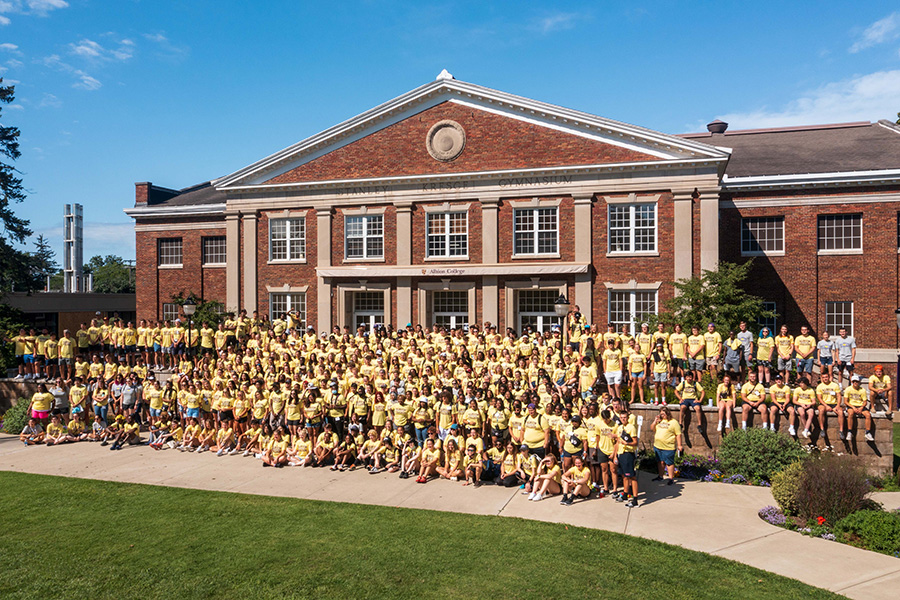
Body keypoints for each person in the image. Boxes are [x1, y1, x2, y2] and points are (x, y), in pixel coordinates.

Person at [613, 407, 639, 508]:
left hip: (628, 454)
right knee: (624, 475)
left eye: (625, 417)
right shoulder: (619, 428)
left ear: (628, 418)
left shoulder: (631, 428)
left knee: (631, 476)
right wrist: (615, 455)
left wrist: (627, 443)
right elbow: (617, 443)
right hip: (620, 454)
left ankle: (635, 499)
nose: (623, 419)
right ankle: (625, 494)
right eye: (621, 417)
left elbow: (635, 442)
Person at [651, 406, 682, 485]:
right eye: (661, 414)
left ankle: (671, 478)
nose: (663, 415)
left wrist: (679, 445)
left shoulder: (674, 422)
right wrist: (655, 421)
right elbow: (652, 428)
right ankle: (660, 476)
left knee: (669, 463)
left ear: (668, 413)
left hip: (668, 447)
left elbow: (678, 434)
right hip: (658, 445)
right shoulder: (659, 421)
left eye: (664, 414)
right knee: (660, 462)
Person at [816, 371, 842, 449]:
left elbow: (839, 396)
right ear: (821, 378)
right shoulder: (819, 386)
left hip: (834, 403)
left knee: (840, 412)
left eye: (826, 377)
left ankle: (841, 430)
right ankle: (822, 429)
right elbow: (819, 398)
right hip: (824, 404)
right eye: (823, 377)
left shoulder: (835, 385)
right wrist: (826, 406)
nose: (825, 379)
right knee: (821, 410)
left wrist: (837, 405)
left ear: (829, 377)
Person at [843, 375, 874, 442]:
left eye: (857, 381)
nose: (856, 383)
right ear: (852, 382)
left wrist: (861, 407)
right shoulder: (848, 389)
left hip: (860, 406)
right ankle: (849, 431)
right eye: (854, 381)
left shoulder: (862, 390)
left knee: (868, 415)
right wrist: (853, 407)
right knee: (850, 413)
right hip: (851, 405)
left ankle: (868, 432)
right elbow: (845, 401)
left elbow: (865, 402)